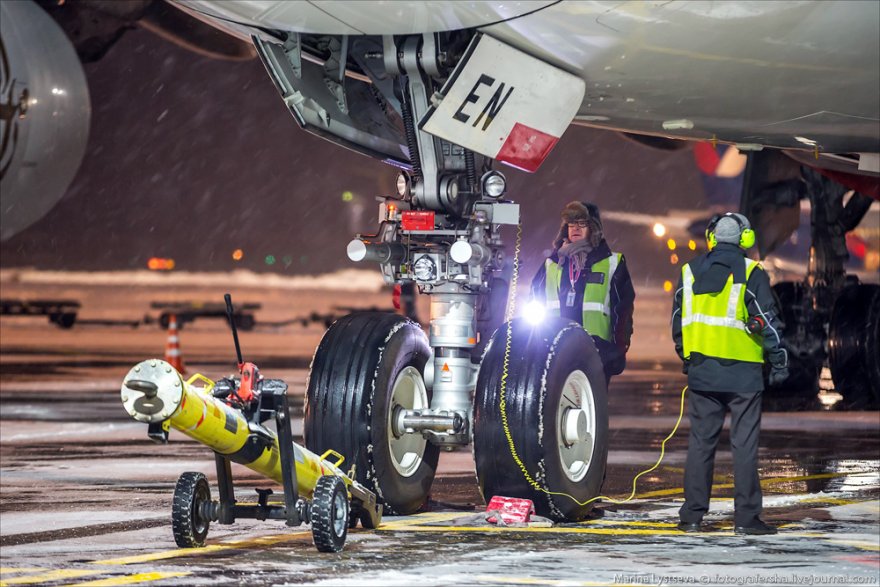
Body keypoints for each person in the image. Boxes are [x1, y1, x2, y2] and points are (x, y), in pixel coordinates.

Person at [671, 212, 789, 535]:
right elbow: (767, 320)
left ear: (711, 238)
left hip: (702, 375)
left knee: (700, 446)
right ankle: (746, 520)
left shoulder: (689, 272)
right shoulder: (751, 272)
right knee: (744, 448)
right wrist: (779, 361)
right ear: (744, 240)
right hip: (743, 379)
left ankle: (692, 517)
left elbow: (678, 323)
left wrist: (688, 357)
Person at [531, 201, 635, 385]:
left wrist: (617, 349)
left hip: (597, 352)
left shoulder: (611, 263)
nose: (575, 229)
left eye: (582, 224)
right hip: (555, 350)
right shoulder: (551, 264)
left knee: (591, 409)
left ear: (593, 228)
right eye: (571, 224)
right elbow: (534, 301)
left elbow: (623, 310)